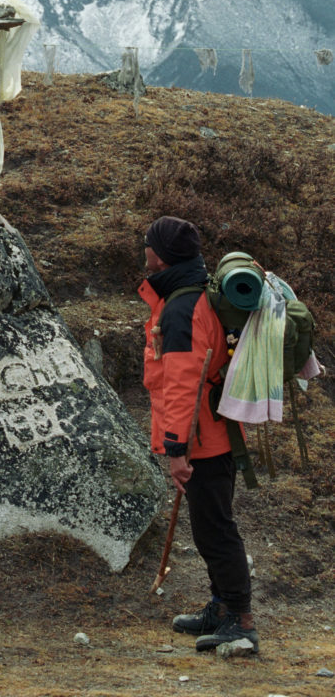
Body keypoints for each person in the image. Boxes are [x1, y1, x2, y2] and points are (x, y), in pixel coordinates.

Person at [138, 215, 258, 654]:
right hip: (214, 433)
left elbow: (182, 383)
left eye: (148, 245)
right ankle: (221, 608)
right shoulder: (190, 295)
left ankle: (241, 622)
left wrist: (176, 451)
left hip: (202, 439)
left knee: (216, 531)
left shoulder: (182, 307)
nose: (144, 251)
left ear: (161, 255)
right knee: (211, 527)